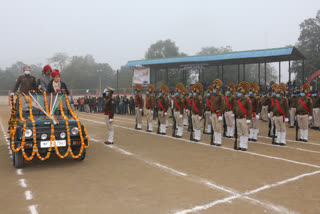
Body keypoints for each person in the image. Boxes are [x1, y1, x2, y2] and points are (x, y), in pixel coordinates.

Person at [233, 81, 252, 151]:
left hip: (244, 118)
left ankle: (245, 145)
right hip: (238, 118)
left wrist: (249, 118)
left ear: (243, 93)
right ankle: (241, 145)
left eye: (240, 92)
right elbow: (235, 108)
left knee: (245, 132)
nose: (238, 93)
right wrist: (234, 113)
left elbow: (249, 109)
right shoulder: (237, 100)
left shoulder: (247, 100)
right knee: (240, 132)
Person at [210, 79, 225, 146]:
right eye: (214, 88)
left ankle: (219, 141)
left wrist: (220, 114)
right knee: (214, 127)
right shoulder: (212, 96)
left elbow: (223, 105)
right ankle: (215, 140)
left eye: (215, 89)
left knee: (218, 128)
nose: (214, 90)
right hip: (213, 113)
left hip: (218, 113)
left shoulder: (220, 96)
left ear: (218, 90)